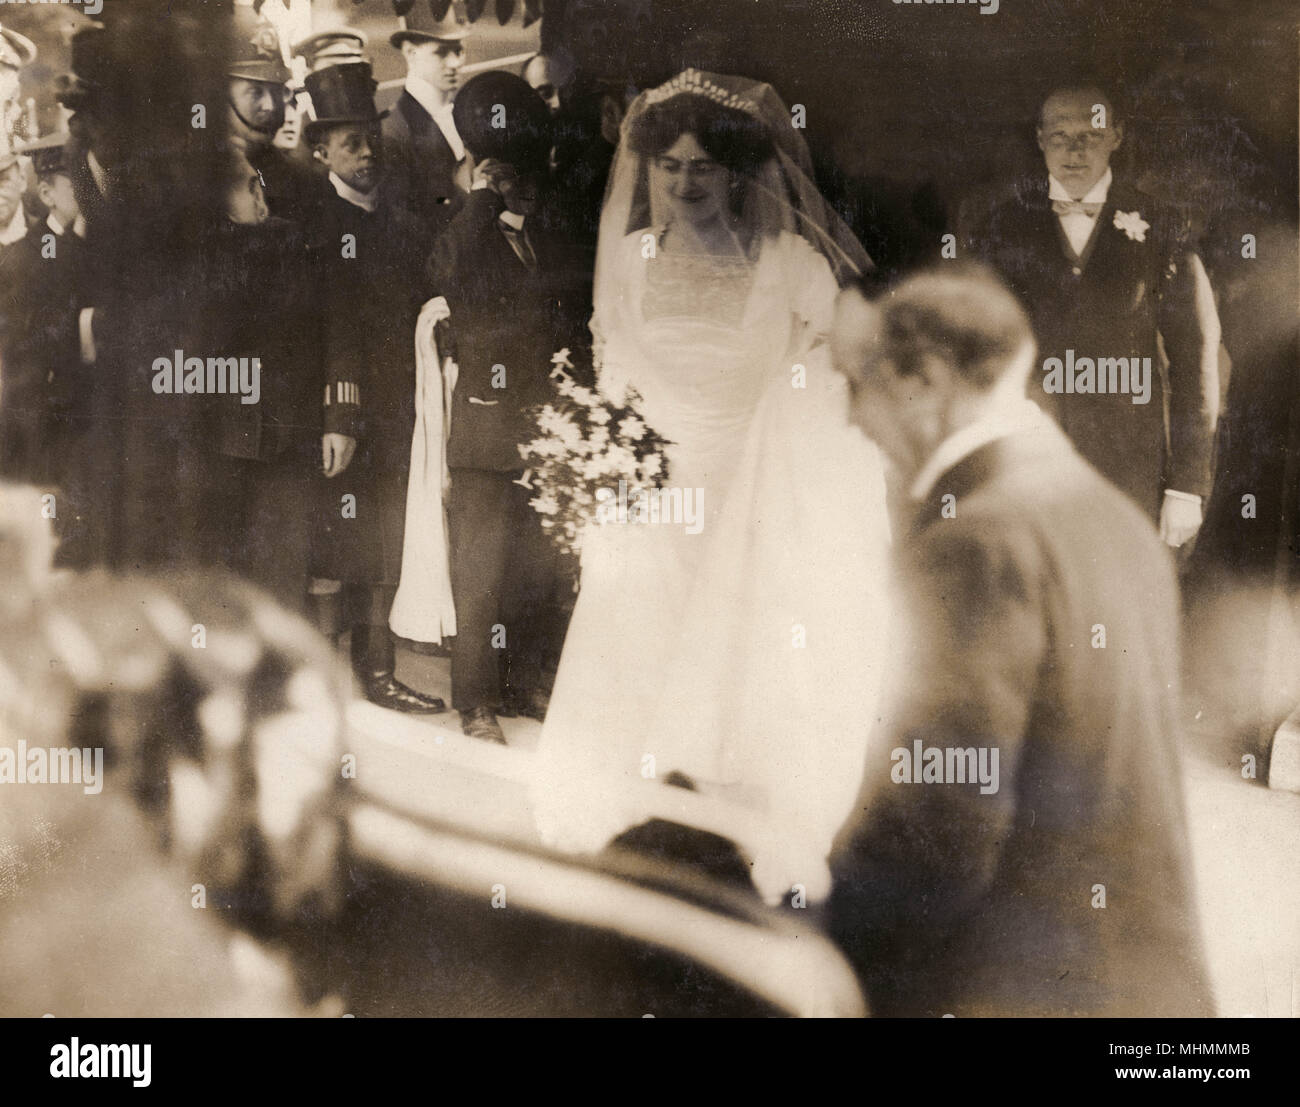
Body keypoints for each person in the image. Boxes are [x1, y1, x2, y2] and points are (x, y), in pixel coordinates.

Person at [531, 70, 891, 904]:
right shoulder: (627, 257)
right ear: (647, 173)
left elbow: (849, 352)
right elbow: (611, 361)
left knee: (738, 648)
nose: (685, 184)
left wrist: (794, 427)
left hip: (751, 486)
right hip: (650, 489)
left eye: (702, 168)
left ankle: (726, 818)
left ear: (735, 175)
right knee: (640, 634)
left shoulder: (790, 259)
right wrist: (605, 460)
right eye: (668, 167)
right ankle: (636, 812)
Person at [825, 265, 1214, 1017]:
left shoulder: (976, 541)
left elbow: (938, 823)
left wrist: (815, 951)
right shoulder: (1115, 519)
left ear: (924, 382)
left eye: (855, 384)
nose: (849, 418)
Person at [969, 81, 1221, 545]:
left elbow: (1195, 359)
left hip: (1129, 470)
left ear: (1117, 138)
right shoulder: (1002, 227)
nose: (1075, 149)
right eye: (1061, 135)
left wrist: (1187, 485)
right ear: (1041, 140)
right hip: (1029, 465)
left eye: (1092, 133)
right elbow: (975, 354)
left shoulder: (1162, 226)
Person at [426, 72, 578, 746]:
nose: (523, 187)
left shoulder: (542, 238)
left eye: (525, 176)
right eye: (506, 176)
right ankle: (475, 701)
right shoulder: (468, 233)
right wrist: (481, 199)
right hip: (485, 426)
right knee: (480, 570)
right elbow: (450, 275)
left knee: (531, 564)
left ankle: (519, 683)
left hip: (538, 426)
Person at [301, 60, 445, 715]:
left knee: (386, 535)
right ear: (320, 149)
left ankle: (379, 670)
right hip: (344, 410)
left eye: (370, 137)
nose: (365, 151)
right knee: (341, 541)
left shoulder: (403, 222)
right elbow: (327, 326)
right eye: (348, 141)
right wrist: (340, 412)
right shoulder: (314, 226)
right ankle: (334, 678)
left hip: (404, 404)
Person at [227, 5, 323, 226]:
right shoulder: (201, 176)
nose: (270, 105)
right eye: (255, 92)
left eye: (275, 91)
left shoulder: (300, 178)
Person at [382, 5, 471, 226]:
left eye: (458, 51)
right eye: (441, 52)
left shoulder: (464, 114)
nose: (454, 63)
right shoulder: (394, 132)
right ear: (411, 54)